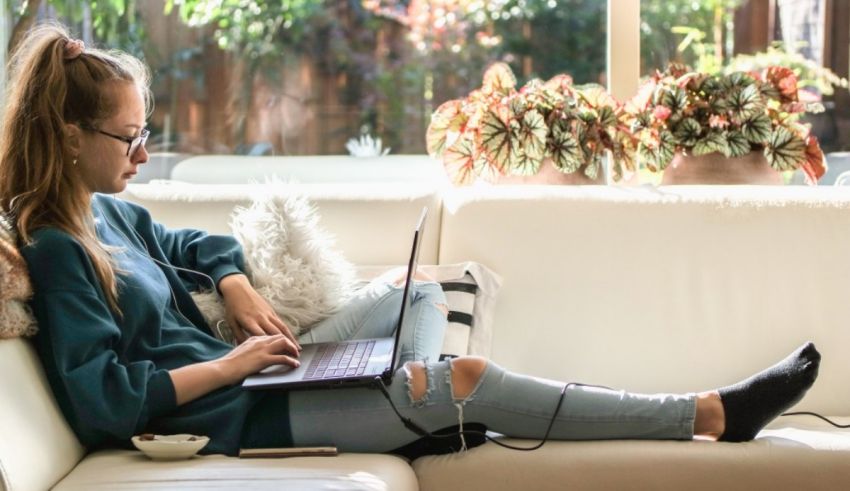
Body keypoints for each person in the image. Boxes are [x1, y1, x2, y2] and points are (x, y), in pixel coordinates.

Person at [0, 24, 821, 457]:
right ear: (71, 137)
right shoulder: (59, 250)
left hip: (258, 378)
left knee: (420, 292)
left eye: (148, 136)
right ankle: (709, 414)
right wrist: (233, 362)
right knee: (460, 377)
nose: (144, 155)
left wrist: (240, 287)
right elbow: (106, 400)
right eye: (131, 139)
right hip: (238, 413)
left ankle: (411, 404)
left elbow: (197, 244)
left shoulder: (111, 214)